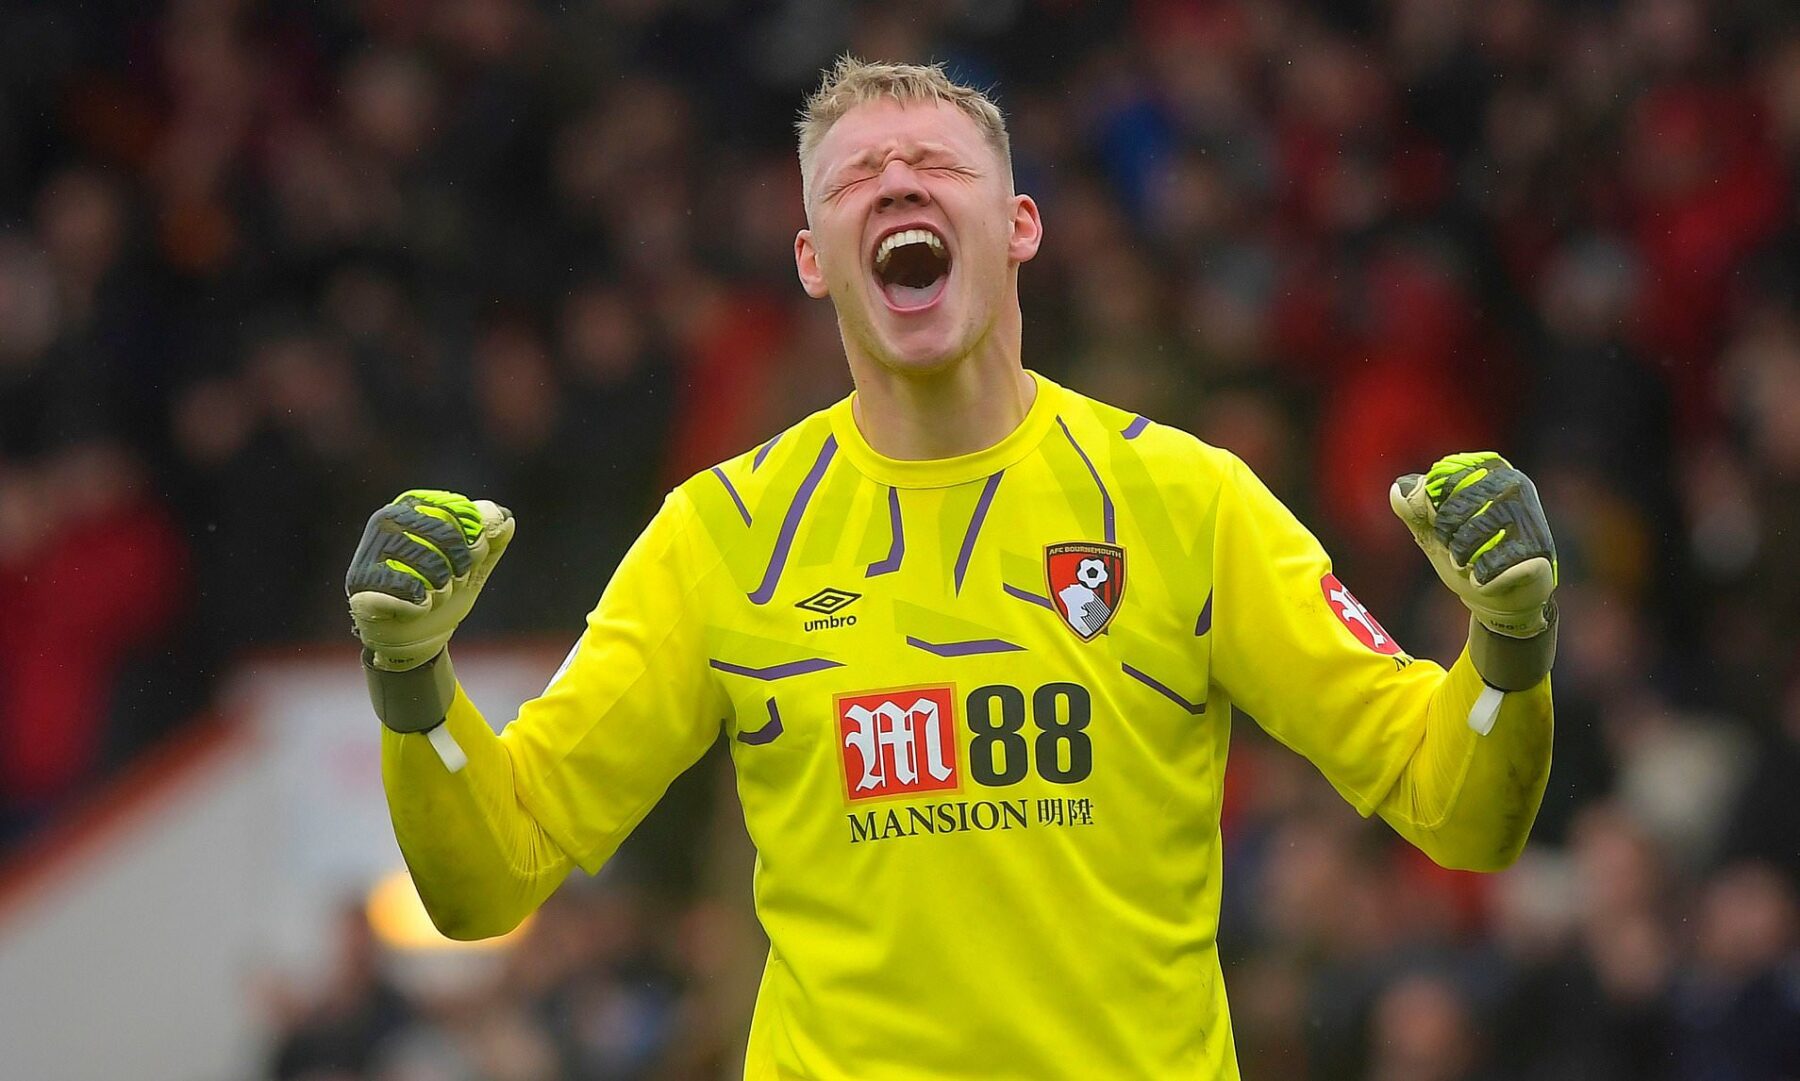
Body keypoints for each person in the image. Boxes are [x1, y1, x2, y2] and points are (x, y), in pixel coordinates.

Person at [345, 57, 1559, 1081]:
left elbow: (1454, 808)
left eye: (934, 164)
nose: (897, 184)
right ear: (815, 258)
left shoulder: (1186, 502)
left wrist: (1506, 646)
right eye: (854, 179)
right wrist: (411, 679)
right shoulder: (719, 532)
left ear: (1020, 226)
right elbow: (492, 876)